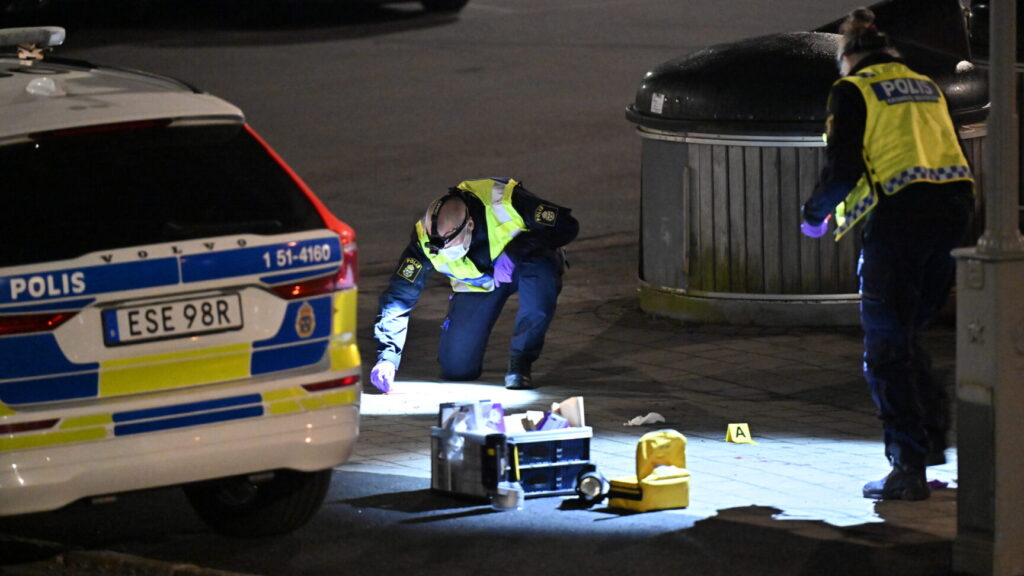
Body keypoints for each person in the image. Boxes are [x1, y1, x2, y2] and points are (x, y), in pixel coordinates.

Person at [800, 7, 974, 501]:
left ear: (847, 56)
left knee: (884, 343)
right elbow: (927, 154)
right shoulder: (924, 84)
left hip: (902, 220)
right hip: (954, 210)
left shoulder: (853, 90)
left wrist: (815, 215)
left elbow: (845, 167)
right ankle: (930, 445)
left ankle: (907, 467)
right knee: (909, 331)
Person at [370, 177, 578, 393]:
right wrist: (387, 358)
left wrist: (514, 251)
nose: (441, 253)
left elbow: (567, 225)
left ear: (469, 225)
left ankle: (521, 361)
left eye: (448, 245)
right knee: (456, 370)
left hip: (524, 265)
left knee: (539, 282)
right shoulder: (424, 240)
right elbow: (398, 296)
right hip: (480, 284)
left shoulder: (505, 203)